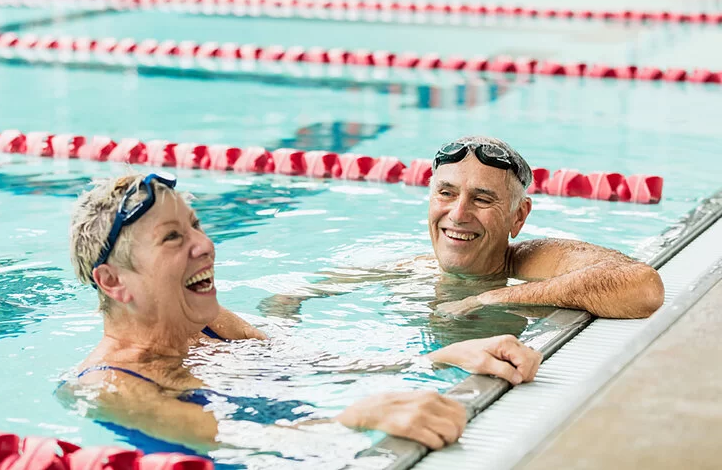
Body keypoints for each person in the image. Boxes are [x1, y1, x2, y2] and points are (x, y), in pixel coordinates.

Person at [60, 172, 543, 456]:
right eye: (173, 238)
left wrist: (441, 357)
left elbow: (312, 361)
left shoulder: (206, 322)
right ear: (113, 281)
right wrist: (351, 421)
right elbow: (241, 439)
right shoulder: (108, 385)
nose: (205, 246)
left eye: (196, 226)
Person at [261, 136, 664, 322]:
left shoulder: (531, 262)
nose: (458, 213)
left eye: (483, 199)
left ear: (518, 217)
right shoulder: (409, 268)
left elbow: (643, 287)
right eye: (446, 193)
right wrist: (282, 320)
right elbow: (290, 294)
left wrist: (488, 300)